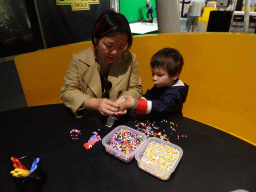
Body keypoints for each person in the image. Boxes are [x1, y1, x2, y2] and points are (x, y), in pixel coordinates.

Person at [60, 10, 142, 120]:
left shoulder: (130, 59)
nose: (115, 52)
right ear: (96, 39)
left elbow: (136, 88)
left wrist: (124, 99)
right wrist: (95, 103)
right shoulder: (78, 60)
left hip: (118, 119)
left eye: (121, 47)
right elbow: (68, 91)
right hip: (89, 119)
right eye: (109, 45)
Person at [118, 48, 189, 121]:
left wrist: (135, 104)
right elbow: (149, 95)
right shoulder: (162, 84)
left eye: (160, 75)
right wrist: (133, 104)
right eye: (153, 74)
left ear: (174, 76)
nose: (154, 78)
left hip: (171, 123)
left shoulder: (176, 93)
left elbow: (161, 106)